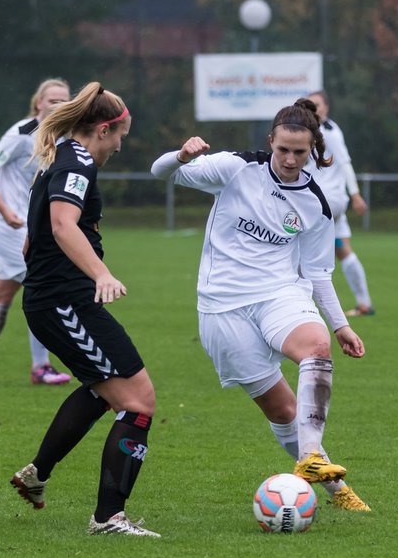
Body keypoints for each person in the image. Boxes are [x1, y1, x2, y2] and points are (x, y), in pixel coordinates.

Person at [150, 98, 370, 512]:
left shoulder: (316, 203)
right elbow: (160, 172)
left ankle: (310, 459)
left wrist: (340, 325)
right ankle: (335, 491)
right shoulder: (236, 168)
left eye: (299, 152)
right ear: (271, 141)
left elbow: (318, 272)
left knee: (316, 345)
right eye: (282, 149)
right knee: (284, 409)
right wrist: (180, 155)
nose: (289, 159)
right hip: (222, 308)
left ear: (314, 151)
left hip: (278, 294)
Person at [8, 82, 162, 537]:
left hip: (58, 300)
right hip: (65, 303)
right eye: (120, 136)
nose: (119, 146)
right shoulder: (77, 162)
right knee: (138, 404)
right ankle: (108, 518)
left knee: (103, 390)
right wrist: (100, 274)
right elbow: (61, 224)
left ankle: (37, 473)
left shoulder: (59, 157)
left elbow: (29, 243)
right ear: (104, 128)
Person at [0, 78, 74, 387]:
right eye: (52, 100)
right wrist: (5, 209)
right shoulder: (22, 133)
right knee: (42, 287)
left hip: (33, 226)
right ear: (38, 103)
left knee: (2, 295)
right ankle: (41, 367)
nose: (57, 104)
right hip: (9, 225)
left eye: (64, 99)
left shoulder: (64, 137)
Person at [306, 90, 374, 316]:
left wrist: (355, 194)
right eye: (310, 105)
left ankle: (302, 303)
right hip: (332, 204)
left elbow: (345, 164)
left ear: (326, 108)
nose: (314, 109)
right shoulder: (310, 131)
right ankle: (364, 303)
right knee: (343, 250)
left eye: (317, 105)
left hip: (324, 202)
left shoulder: (329, 133)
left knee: (300, 248)